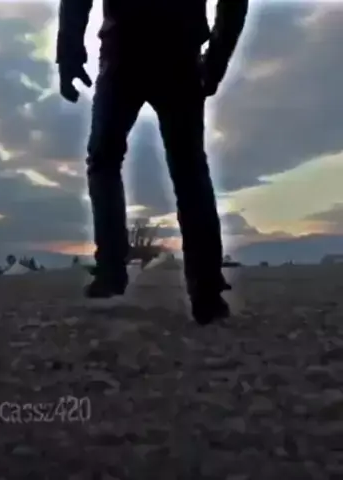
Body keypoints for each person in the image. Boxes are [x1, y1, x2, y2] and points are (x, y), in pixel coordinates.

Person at [56, 0, 249, 324]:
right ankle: (205, 291)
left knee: (109, 161)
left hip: (129, 51)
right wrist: (216, 58)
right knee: (187, 167)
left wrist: (70, 52)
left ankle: (113, 272)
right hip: (171, 52)